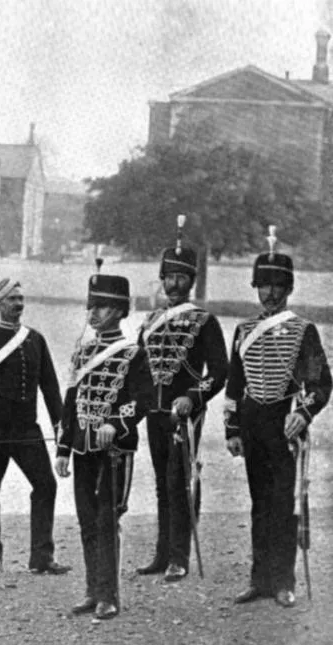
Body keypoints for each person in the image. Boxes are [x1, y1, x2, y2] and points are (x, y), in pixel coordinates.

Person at [224, 228, 330, 609]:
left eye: (277, 286)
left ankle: (284, 581)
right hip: (253, 424)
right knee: (258, 502)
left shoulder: (304, 332)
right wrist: (232, 429)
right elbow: (234, 384)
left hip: (285, 424)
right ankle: (259, 580)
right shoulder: (243, 331)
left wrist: (303, 413)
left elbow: (320, 384)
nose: (269, 293)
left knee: (284, 505)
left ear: (288, 289)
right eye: (264, 286)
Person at [55, 268, 152, 621]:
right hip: (83, 449)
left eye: (100, 307)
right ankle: (92, 589)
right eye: (91, 306)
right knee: (86, 521)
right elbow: (70, 403)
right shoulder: (83, 353)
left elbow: (143, 400)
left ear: (119, 310)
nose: (92, 313)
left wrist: (116, 423)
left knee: (107, 520)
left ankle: (109, 595)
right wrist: (64, 448)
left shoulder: (134, 353)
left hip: (115, 451)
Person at [137, 218, 228, 582]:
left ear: (191, 281)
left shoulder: (204, 321)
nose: (173, 285)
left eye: (181, 278)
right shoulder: (151, 320)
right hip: (154, 413)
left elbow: (220, 374)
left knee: (181, 481)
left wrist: (193, 397)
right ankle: (162, 554)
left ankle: (180, 556)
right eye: (168, 278)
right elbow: (140, 369)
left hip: (185, 415)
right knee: (161, 482)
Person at [0, 278, 70, 575]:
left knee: (45, 485)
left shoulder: (36, 339)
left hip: (27, 430)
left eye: (21, 298)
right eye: (12, 299)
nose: (18, 304)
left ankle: (41, 557)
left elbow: (50, 389)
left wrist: (62, 429)